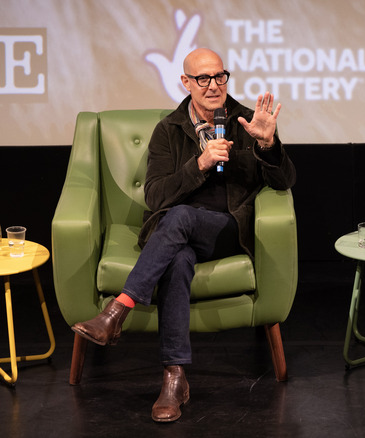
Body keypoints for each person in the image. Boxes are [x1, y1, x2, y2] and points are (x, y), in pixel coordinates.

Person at [71, 48, 296, 423]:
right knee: (176, 255)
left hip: (226, 228)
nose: (213, 86)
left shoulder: (245, 121)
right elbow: (155, 195)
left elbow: (284, 182)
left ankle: (118, 310)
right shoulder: (169, 130)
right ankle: (174, 378)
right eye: (203, 78)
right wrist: (201, 163)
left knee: (178, 218)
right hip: (175, 233)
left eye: (219, 76)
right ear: (186, 83)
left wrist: (267, 145)